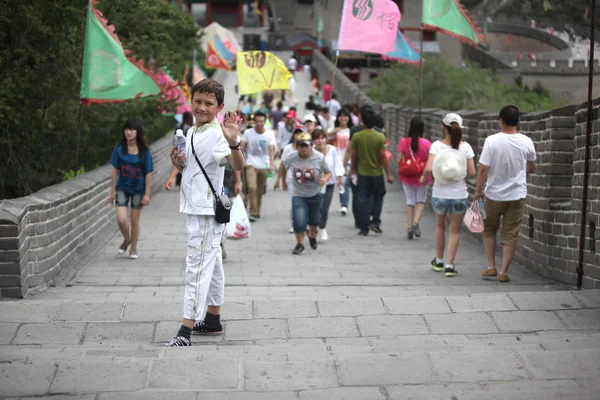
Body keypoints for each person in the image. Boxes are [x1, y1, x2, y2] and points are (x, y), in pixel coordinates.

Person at [166, 79, 244, 347]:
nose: (201, 107)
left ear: (219, 107)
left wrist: (234, 143)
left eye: (208, 104)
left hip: (206, 211)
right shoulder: (190, 132)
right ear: (191, 101)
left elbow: (236, 164)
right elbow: (190, 165)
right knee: (213, 264)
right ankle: (212, 320)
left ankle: (185, 330)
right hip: (198, 206)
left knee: (196, 267)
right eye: (198, 101)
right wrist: (177, 162)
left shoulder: (216, 135)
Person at [474, 105, 536, 283]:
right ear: (518, 121)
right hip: (517, 195)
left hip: (494, 195)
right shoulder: (526, 141)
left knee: (489, 229)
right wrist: (521, 174)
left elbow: (483, 169)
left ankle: (491, 266)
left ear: (500, 121)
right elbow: (531, 165)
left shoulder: (492, 141)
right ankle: (503, 271)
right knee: (511, 233)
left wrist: (478, 191)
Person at [420, 113, 476, 277]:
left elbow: (429, 168)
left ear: (444, 127)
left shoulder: (436, 146)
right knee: (455, 231)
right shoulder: (465, 147)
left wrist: (423, 178)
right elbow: (472, 172)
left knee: (440, 226)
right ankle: (450, 266)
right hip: (459, 194)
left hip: (440, 193)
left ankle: (438, 260)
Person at [108, 118, 154, 260]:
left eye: (132, 129)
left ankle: (133, 249)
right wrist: (112, 192)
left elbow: (148, 173)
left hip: (138, 190)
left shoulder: (144, 152)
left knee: (134, 221)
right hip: (122, 187)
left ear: (137, 132)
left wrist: (147, 193)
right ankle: (127, 239)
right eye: (127, 129)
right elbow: (114, 171)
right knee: (121, 219)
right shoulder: (119, 149)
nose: (129, 132)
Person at [279, 132, 332, 254]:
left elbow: (328, 172)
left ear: (311, 145)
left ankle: (312, 235)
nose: (304, 148)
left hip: (316, 193)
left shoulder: (318, 157)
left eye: (306, 145)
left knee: (314, 221)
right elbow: (283, 165)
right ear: (297, 146)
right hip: (299, 194)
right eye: (301, 146)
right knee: (299, 220)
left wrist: (324, 179)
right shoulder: (292, 157)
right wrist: (283, 181)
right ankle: (300, 244)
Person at [350, 108, 394, 236]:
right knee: (378, 197)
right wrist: (389, 174)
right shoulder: (380, 137)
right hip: (377, 174)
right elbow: (383, 157)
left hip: (362, 173)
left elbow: (354, 155)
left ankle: (364, 227)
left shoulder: (357, 136)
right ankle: (375, 221)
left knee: (363, 199)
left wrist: (353, 169)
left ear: (362, 121)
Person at [397, 116, 432, 240]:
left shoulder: (403, 142)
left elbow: (398, 159)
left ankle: (410, 227)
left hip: (407, 177)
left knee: (410, 201)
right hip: (422, 176)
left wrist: (407, 163)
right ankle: (416, 223)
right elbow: (429, 161)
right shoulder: (427, 143)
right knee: (420, 201)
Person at [240, 112, 276, 222]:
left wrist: (271, 164)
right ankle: (253, 212)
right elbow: (242, 147)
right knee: (252, 187)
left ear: (265, 122)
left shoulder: (269, 134)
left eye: (262, 121)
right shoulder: (247, 133)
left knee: (259, 190)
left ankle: (257, 211)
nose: (259, 124)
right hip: (250, 163)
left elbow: (271, 150)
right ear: (254, 122)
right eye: (257, 121)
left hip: (263, 165)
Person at [312, 129, 344, 241]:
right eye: (317, 138)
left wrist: (340, 177)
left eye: (322, 138)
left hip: (329, 183)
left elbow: (338, 164)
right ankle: (313, 227)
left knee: (324, 208)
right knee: (316, 207)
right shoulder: (310, 152)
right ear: (313, 141)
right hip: (314, 185)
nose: (320, 141)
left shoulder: (333, 150)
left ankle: (322, 227)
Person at [275, 125, 306, 233]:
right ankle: (294, 223)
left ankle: (303, 222)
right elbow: (283, 165)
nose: (298, 135)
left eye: (300, 133)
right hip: (291, 179)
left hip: (306, 180)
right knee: (295, 202)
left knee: (304, 202)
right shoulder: (288, 148)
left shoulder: (307, 147)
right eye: (296, 133)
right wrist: (281, 180)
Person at [328, 109, 354, 215]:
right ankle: (344, 204)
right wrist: (333, 132)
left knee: (345, 182)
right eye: (341, 116)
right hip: (337, 159)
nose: (343, 118)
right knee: (341, 182)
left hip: (350, 159)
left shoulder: (352, 130)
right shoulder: (335, 130)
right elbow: (323, 138)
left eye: (345, 116)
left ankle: (344, 205)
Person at [165, 112, 194, 190]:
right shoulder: (189, 128)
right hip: (186, 150)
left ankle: (180, 183)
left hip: (178, 148)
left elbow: (175, 137)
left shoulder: (178, 125)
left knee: (180, 165)